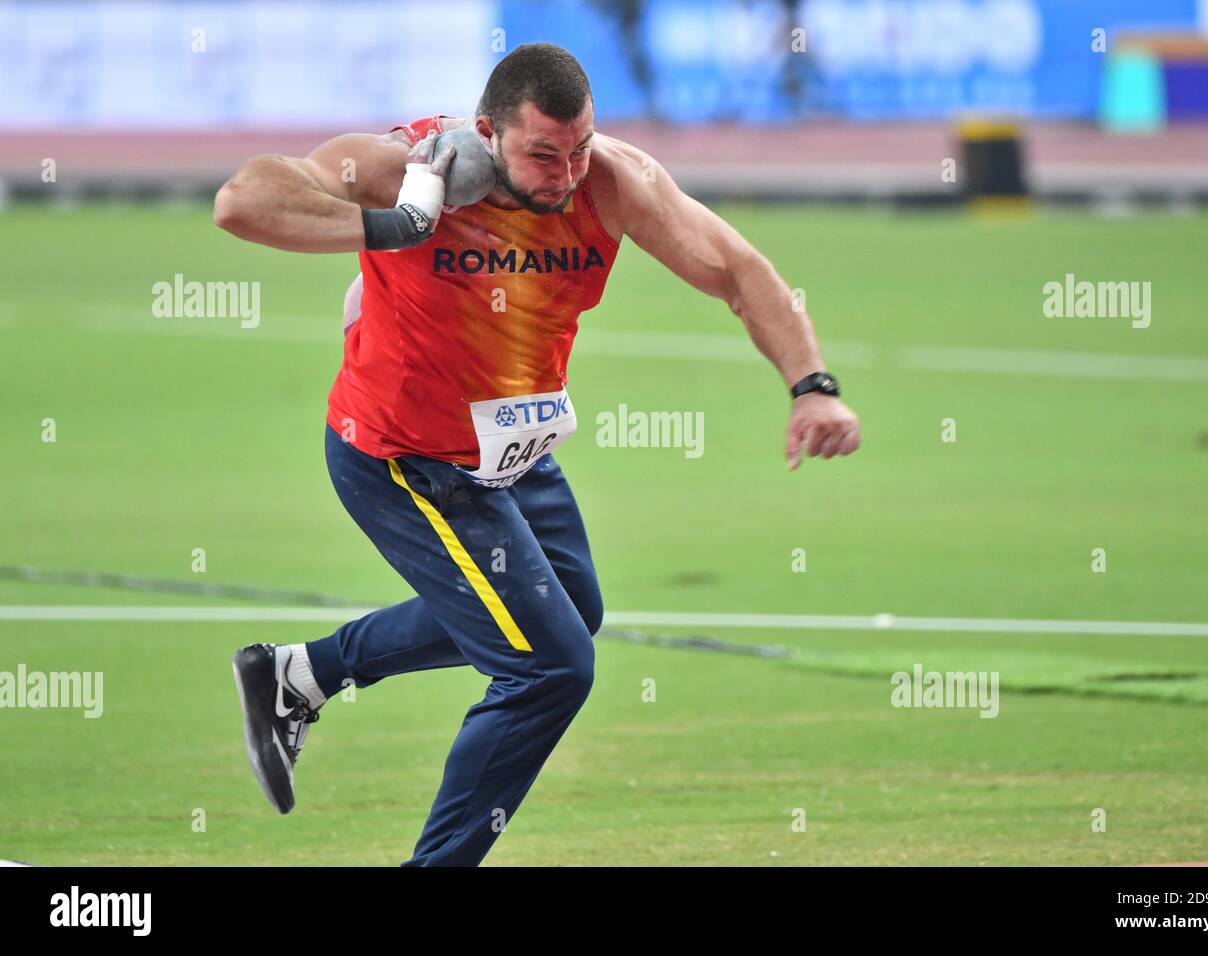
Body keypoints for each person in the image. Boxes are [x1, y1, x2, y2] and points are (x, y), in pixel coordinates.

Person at [214, 42, 860, 867]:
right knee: (551, 667)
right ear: (487, 132)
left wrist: (812, 384)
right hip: (401, 457)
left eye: (579, 147)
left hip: (511, 451)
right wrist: (403, 223)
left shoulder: (614, 183)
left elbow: (736, 267)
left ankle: (298, 674)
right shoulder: (408, 166)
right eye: (543, 154)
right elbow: (243, 201)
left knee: (569, 613)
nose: (565, 174)